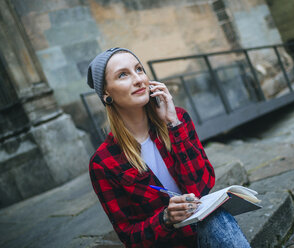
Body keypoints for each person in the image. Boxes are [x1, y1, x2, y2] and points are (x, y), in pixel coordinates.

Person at [87, 47, 251, 248]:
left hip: (201, 231)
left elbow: (202, 186)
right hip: (166, 243)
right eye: (123, 75)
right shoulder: (103, 162)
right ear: (106, 94)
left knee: (216, 218)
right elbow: (130, 237)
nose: (138, 79)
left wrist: (173, 124)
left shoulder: (178, 119)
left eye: (139, 69)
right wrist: (166, 218)